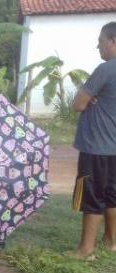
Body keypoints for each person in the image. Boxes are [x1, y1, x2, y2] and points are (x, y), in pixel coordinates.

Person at [72, 22, 116, 259]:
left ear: (113, 41)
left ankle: (86, 249)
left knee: (92, 195)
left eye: (100, 41)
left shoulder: (106, 69)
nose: (98, 46)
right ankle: (111, 242)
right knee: (111, 194)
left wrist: (90, 97)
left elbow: (77, 104)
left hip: (97, 145)